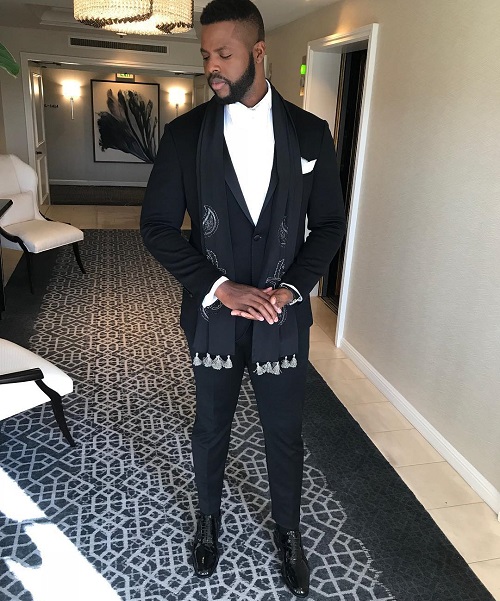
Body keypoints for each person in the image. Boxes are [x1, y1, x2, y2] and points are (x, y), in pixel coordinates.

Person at [141, 0, 346, 596]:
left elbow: (329, 225)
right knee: (211, 426)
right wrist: (219, 286)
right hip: (212, 316)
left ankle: (288, 530)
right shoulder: (184, 136)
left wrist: (291, 287)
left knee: (285, 431)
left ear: (259, 52)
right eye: (206, 55)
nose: (212, 66)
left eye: (224, 54)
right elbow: (157, 227)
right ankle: (208, 519)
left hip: (282, 316)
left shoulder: (311, 134)